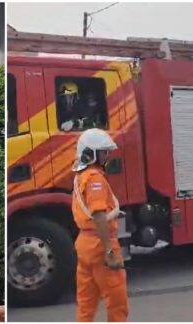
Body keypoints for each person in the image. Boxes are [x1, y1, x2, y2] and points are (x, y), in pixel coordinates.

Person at [71, 128, 129, 322]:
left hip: (85, 244)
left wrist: (111, 214)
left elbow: (93, 213)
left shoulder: (81, 177)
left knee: (86, 304)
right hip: (100, 245)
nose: (108, 156)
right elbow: (97, 214)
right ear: (91, 154)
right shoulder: (95, 178)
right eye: (104, 152)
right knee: (117, 302)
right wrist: (109, 252)